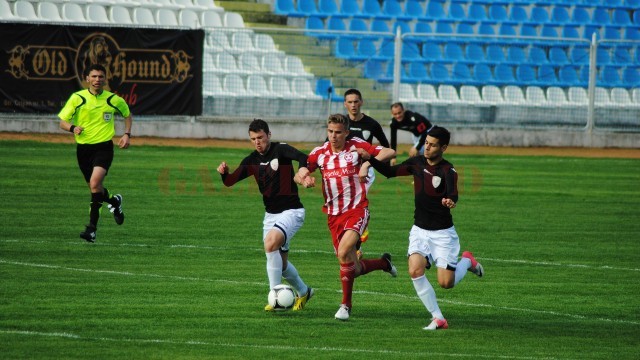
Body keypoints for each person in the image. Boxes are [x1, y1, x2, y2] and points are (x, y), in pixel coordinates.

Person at [358, 126, 484, 330]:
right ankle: (438, 318)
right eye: (426, 142)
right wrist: (369, 160)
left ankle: (467, 262)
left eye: (433, 145)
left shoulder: (448, 171)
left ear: (443, 147)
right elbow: (390, 172)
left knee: (446, 283)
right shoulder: (416, 162)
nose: (427, 147)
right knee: (415, 270)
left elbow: (453, 194)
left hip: (443, 234)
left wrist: (450, 201)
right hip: (419, 230)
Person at [296, 114, 397, 321]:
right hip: (333, 216)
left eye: (338, 132)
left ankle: (345, 306)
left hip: (357, 209)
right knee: (354, 268)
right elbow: (301, 171)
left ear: (347, 133)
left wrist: (367, 163)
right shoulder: (320, 153)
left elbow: (389, 152)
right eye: (330, 131)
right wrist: (303, 179)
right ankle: (384, 263)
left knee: (343, 252)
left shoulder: (356, 146)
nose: (333, 136)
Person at [217, 119, 314, 312]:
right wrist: (224, 173)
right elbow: (230, 182)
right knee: (282, 264)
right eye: (253, 139)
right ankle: (304, 291)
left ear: (269, 135)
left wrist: (303, 172)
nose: (257, 142)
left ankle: (275, 296)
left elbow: (305, 158)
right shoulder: (251, 161)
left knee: (270, 243)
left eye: (260, 137)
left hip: (292, 211)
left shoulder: (281, 150)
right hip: (270, 216)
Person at [58, 63, 132, 243]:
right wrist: (73, 127)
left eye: (100, 76)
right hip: (83, 149)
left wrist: (126, 134)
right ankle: (114, 201)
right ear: (87, 79)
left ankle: (91, 229)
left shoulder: (113, 99)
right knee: (95, 188)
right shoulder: (77, 98)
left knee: (94, 182)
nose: (97, 80)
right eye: (94, 76)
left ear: (105, 79)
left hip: (104, 148)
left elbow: (127, 115)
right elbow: (62, 121)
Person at [343, 88, 391, 255]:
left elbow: (385, 146)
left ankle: (358, 244)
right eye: (350, 102)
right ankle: (359, 233)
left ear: (361, 102)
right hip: (346, 171)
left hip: (365, 171)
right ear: (345, 104)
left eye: (356, 101)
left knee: (355, 204)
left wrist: (371, 163)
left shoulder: (371, 124)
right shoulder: (342, 124)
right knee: (348, 207)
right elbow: (329, 145)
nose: (353, 105)